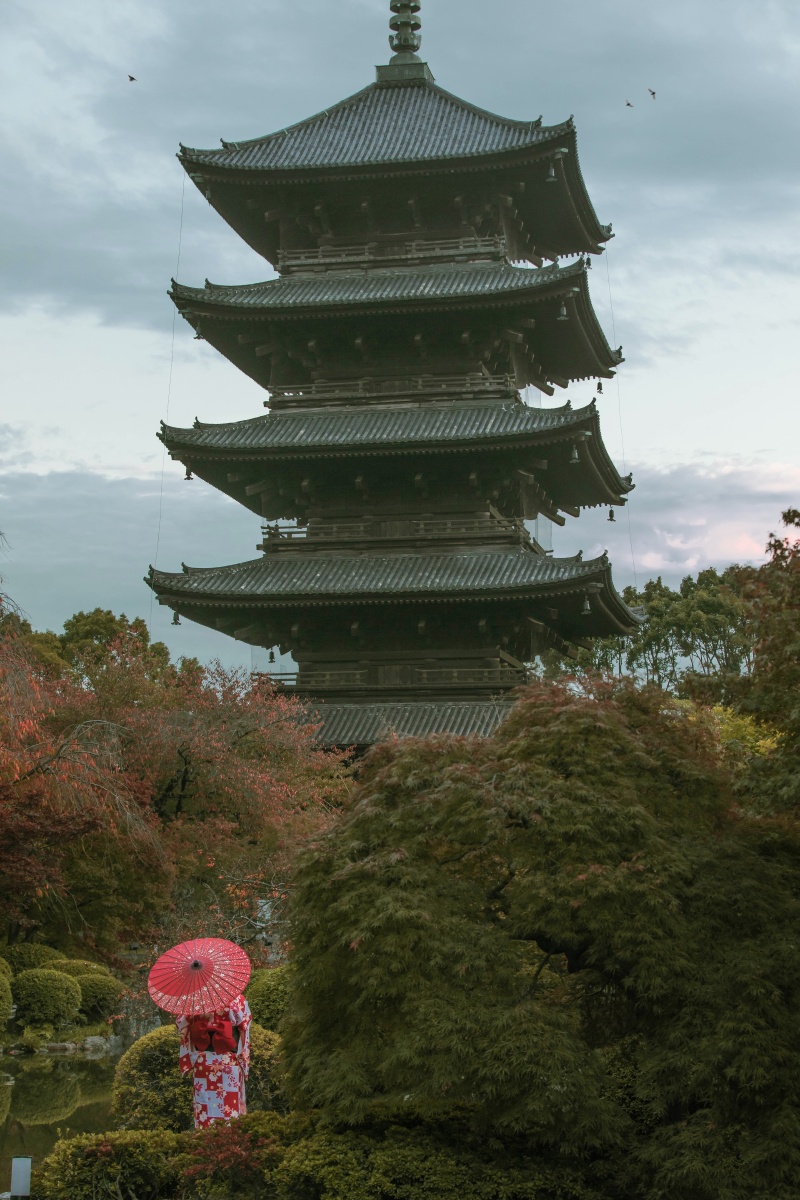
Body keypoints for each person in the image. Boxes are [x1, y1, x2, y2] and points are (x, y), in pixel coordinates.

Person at [176, 993, 252, 1129]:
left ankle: (204, 1139)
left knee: (204, 1109)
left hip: (203, 1061)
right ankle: (230, 1139)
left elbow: (182, 1024)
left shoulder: (193, 999)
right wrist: (244, 1060)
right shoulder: (236, 998)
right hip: (229, 1062)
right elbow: (245, 1026)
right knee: (231, 1110)